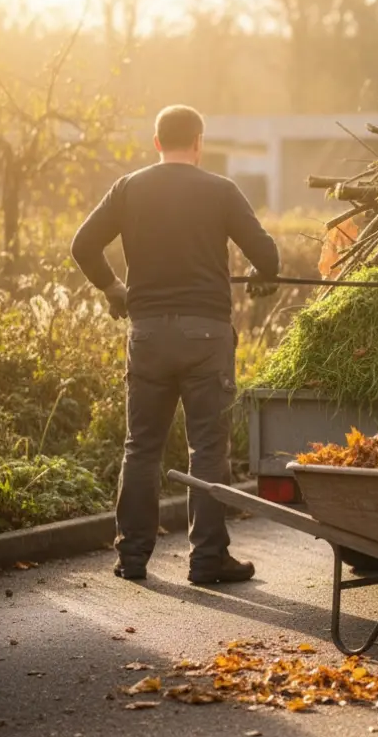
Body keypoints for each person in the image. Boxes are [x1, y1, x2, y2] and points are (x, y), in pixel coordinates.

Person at [71, 104, 280, 584]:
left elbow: (83, 244)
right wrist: (260, 275)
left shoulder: (129, 188)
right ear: (199, 142)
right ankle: (207, 560)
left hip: (146, 334)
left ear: (157, 142)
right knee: (207, 449)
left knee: (141, 447)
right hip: (206, 336)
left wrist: (111, 288)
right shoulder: (220, 191)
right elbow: (266, 255)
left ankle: (132, 558)